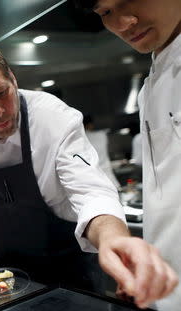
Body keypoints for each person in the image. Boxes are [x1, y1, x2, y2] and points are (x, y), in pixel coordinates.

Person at [0, 41, 177, 309]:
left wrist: (114, 241)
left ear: (12, 78)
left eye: (1, 93)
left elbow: (92, 192)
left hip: (71, 273)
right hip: (4, 277)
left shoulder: (54, 118)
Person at [73, 0, 181, 309]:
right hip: (163, 291)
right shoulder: (151, 84)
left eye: (129, 0)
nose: (123, 22)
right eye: (106, 13)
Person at [83, 114, 121, 188]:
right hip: (108, 178)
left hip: (92, 180)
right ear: (91, 124)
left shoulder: (81, 139)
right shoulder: (101, 135)